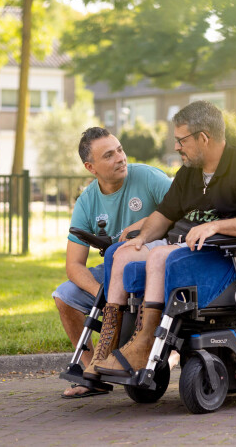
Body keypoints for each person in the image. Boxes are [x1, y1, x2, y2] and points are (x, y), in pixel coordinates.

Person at [88, 101, 236, 379]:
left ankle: (144, 346)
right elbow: (163, 216)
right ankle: (107, 351)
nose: (177, 147)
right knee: (122, 253)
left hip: (221, 254)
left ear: (204, 137)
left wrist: (214, 226)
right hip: (183, 247)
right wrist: (140, 238)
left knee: (158, 255)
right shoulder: (189, 173)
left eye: (181, 140)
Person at [53, 127, 172, 398]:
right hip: (111, 271)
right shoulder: (86, 202)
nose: (120, 158)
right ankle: (92, 370)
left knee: (124, 254)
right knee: (64, 296)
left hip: (154, 264)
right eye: (109, 155)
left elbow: (182, 211)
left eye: (120, 149)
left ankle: (152, 351)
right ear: (91, 167)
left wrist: (141, 226)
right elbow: (74, 266)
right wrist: (102, 296)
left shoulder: (148, 177)